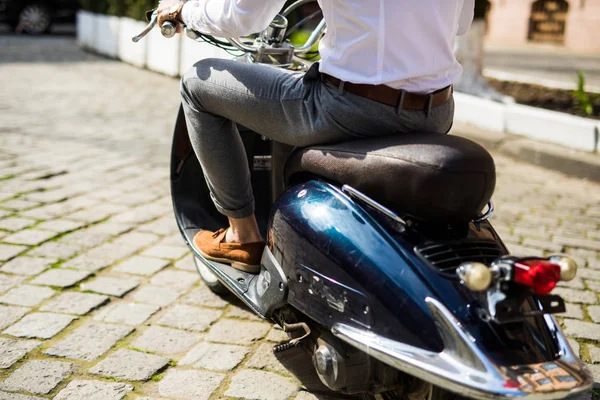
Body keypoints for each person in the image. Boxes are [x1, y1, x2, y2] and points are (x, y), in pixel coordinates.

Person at [157, 0, 475, 273]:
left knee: (195, 86)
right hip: (436, 112)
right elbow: (461, 24)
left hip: (350, 110)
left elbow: (242, 18)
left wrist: (184, 11)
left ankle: (241, 235)